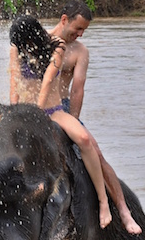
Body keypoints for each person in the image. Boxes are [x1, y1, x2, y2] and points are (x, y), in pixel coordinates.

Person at [47, 0, 142, 234]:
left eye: (84, 31)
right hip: (41, 108)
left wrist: (74, 120)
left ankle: (122, 209)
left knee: (96, 152)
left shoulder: (80, 51)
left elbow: (77, 89)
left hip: (64, 108)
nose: (79, 34)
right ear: (64, 19)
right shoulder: (42, 40)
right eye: (77, 28)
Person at [10, 15, 112, 229]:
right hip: (25, 111)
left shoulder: (57, 46)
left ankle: (103, 202)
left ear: (34, 36)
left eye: (25, 42)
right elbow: (14, 81)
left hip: (53, 111)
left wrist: (38, 112)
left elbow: (48, 79)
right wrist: (15, 111)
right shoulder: (16, 48)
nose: (23, 47)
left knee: (84, 139)